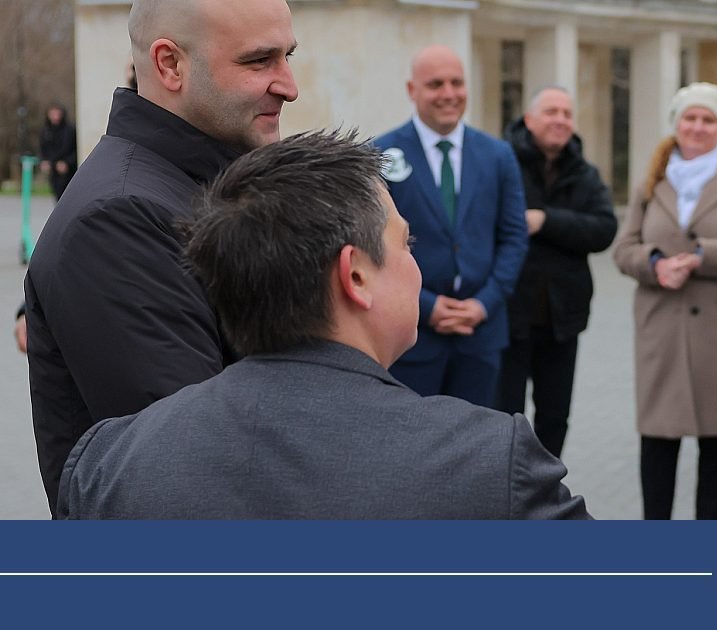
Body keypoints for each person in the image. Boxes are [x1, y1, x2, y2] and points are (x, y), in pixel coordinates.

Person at [57, 131, 589, 520]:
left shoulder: (111, 460)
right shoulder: (490, 464)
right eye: (406, 243)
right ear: (355, 275)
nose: (415, 265)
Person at [24, 0, 299, 517]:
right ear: (170, 64)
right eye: (259, 60)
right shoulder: (119, 219)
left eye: (288, 56)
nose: (289, 84)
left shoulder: (202, 188)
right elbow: (200, 472)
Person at [612, 82, 717, 520]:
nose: (698, 127)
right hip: (662, 332)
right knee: (657, 448)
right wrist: (655, 264)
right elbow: (623, 249)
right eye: (690, 118)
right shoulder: (652, 182)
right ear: (677, 124)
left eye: (708, 120)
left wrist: (704, 256)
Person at [374, 45, 528, 407]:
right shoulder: (380, 154)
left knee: (477, 438)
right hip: (411, 337)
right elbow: (373, 244)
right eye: (435, 84)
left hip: (481, 337)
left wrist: (484, 303)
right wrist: (426, 305)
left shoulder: (498, 155)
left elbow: (514, 237)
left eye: (457, 83)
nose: (449, 93)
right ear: (412, 90)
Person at [496, 87, 617, 458]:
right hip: (509, 316)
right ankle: (504, 486)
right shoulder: (503, 163)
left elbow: (604, 229)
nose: (560, 120)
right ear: (529, 120)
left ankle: (545, 487)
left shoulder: (584, 172)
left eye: (566, 113)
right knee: (504, 415)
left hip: (562, 319)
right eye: (551, 112)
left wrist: (546, 221)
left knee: (555, 418)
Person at [38, 103, 77, 201]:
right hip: (53, 170)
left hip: (68, 169)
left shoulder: (70, 130)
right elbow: (42, 149)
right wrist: (44, 161)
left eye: (57, 113)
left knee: (69, 195)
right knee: (57, 196)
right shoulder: (45, 131)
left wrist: (67, 162)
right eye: (52, 114)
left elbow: (75, 149)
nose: (55, 116)